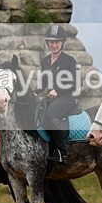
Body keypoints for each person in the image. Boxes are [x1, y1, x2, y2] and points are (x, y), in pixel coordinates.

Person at [37, 24, 79, 163]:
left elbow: (74, 82)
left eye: (57, 42)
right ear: (47, 43)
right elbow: (43, 83)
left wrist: (58, 90)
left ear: (62, 43)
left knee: (50, 115)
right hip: (50, 98)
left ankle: (62, 152)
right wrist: (34, 93)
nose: (54, 45)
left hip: (67, 97)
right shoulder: (45, 61)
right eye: (51, 42)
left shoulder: (69, 61)